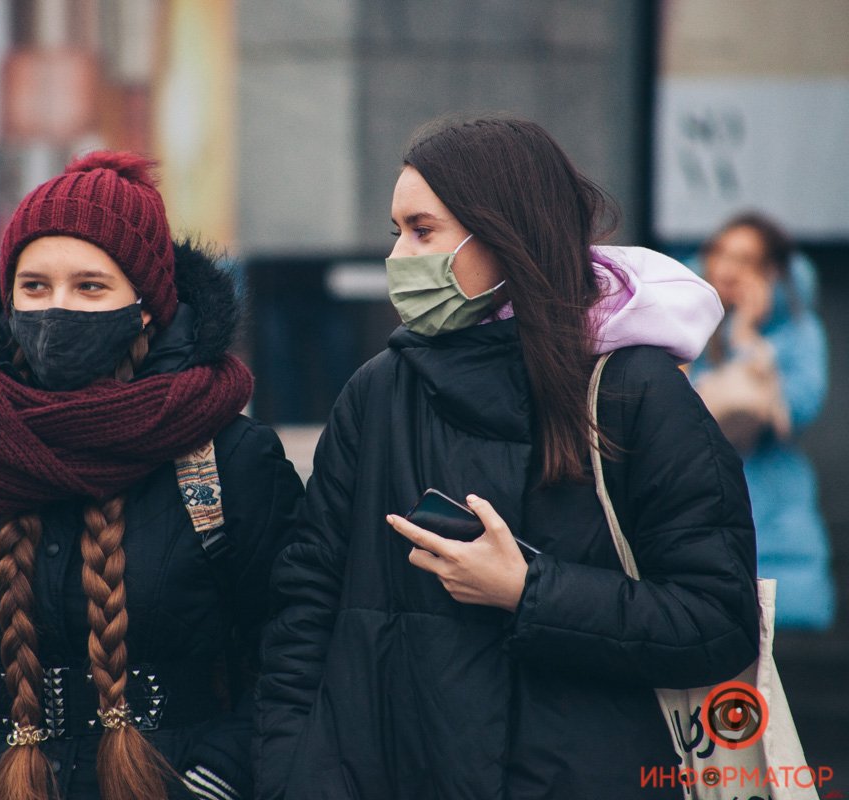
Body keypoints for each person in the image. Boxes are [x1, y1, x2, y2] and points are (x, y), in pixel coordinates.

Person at [255, 116, 760, 799]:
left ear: (503, 233)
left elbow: (717, 621)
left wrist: (530, 592)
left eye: (423, 230)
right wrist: (293, 775)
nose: (400, 256)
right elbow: (306, 612)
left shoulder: (635, 392)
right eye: (395, 230)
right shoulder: (379, 392)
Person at [0, 151, 303, 800]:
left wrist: (215, 784)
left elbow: (286, 651)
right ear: (7, 296)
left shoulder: (226, 457)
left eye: (91, 286)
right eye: (35, 286)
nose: (58, 310)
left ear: (144, 307)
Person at [690, 212, 834, 630]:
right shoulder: (681, 331)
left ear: (771, 272)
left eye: (746, 259)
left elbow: (792, 408)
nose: (729, 269)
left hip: (774, 515)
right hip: (702, 508)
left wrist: (746, 338)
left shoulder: (797, 333)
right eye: (720, 254)